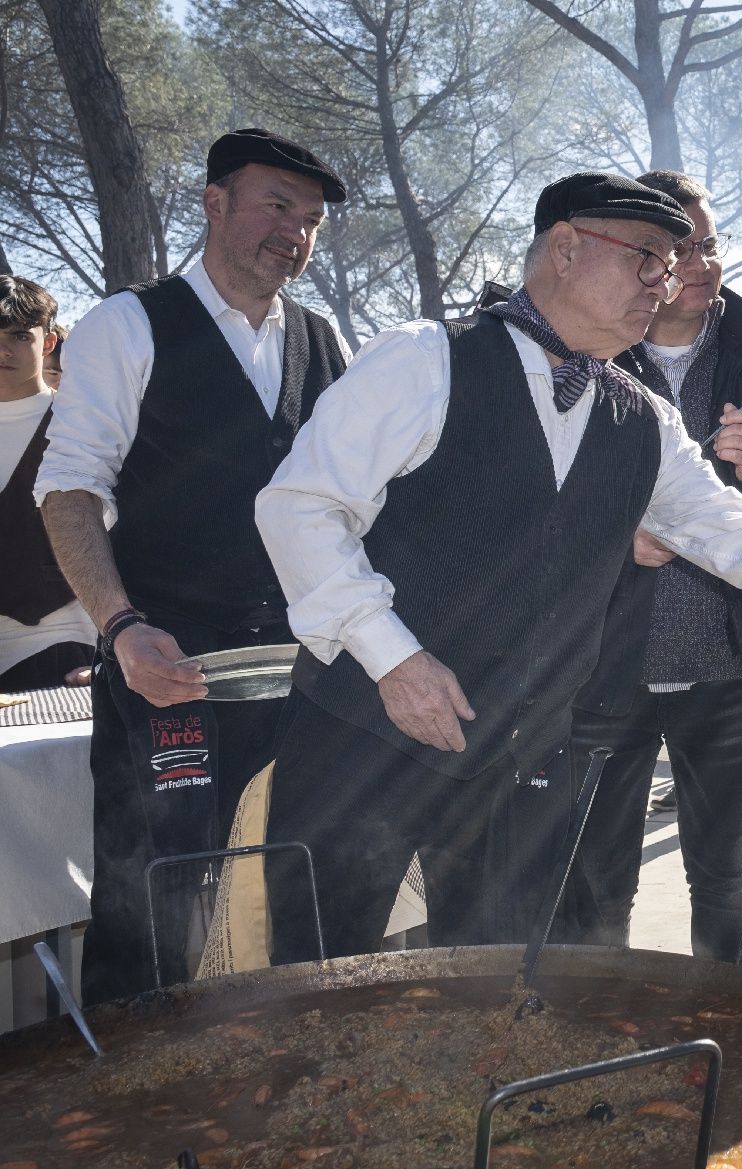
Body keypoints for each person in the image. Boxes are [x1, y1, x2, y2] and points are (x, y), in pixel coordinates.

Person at [254, 173, 742, 965]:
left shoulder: (640, 418)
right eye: (647, 259)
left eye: (670, 264)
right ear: (565, 248)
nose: (663, 282)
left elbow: (741, 541)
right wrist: (394, 659)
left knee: (498, 1006)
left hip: (512, 772)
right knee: (321, 999)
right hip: (360, 748)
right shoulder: (425, 361)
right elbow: (300, 510)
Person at [35, 129, 350, 1004]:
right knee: (157, 905)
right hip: (163, 669)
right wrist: (122, 626)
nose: (296, 231)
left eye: (313, 219)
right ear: (213, 204)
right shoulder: (127, 324)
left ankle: (270, 1097)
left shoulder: (324, 344)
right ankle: (126, 1118)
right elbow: (69, 493)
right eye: (277, 205)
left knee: (292, 895)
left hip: (299, 680)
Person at [565, 170, 742, 961]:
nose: (702, 264)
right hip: (609, 669)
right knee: (601, 882)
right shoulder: (579, 353)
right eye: (679, 249)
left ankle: (725, 1050)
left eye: (710, 243)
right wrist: (617, 531)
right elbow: (544, 502)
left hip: (728, 665)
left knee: (725, 877)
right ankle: (608, 1052)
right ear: (643, 260)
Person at [0, 277, 95, 692]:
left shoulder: (83, 425)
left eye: (20, 335)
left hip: (66, 653)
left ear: (49, 342)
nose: (4, 350)